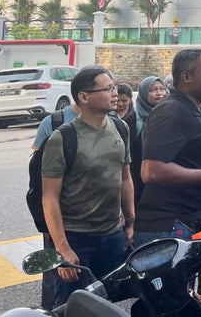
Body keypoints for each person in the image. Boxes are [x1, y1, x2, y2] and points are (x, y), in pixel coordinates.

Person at [41, 66, 134, 308]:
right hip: (76, 239)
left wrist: (130, 222)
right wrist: (62, 249)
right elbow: (50, 198)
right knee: (73, 307)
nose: (115, 93)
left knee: (108, 306)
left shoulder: (120, 128)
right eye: (108, 88)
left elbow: (125, 178)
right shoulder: (63, 138)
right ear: (84, 97)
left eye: (114, 87)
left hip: (112, 236)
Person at [134, 49, 201, 246]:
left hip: (191, 223)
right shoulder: (171, 111)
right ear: (186, 76)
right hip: (170, 227)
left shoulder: (192, 109)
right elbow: (151, 171)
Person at [31, 102, 80, 310]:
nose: (113, 94)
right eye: (107, 89)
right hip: (57, 212)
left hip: (96, 220)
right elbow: (37, 166)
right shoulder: (53, 121)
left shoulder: (112, 122)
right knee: (55, 274)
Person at [126, 76, 167, 204]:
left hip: (166, 182)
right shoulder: (132, 119)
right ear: (144, 93)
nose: (159, 93)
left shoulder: (170, 115)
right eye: (153, 90)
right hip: (140, 184)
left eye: (162, 89)